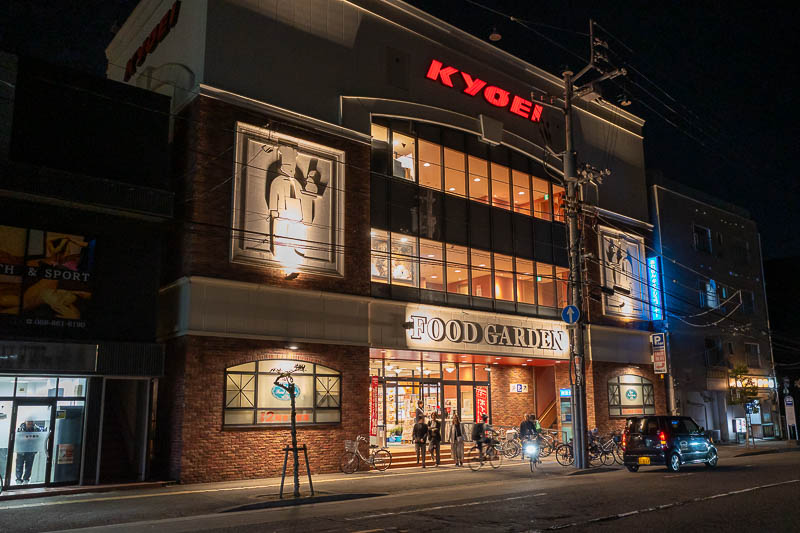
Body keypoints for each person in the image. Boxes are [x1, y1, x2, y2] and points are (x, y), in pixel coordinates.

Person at [16, 416, 43, 484]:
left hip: (31, 450)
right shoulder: (20, 428)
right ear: (25, 421)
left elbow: (39, 438)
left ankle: (26, 479)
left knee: (29, 466)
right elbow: (16, 438)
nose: (30, 424)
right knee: (19, 465)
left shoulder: (36, 429)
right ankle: (18, 479)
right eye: (28, 422)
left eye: (31, 422)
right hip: (21, 450)